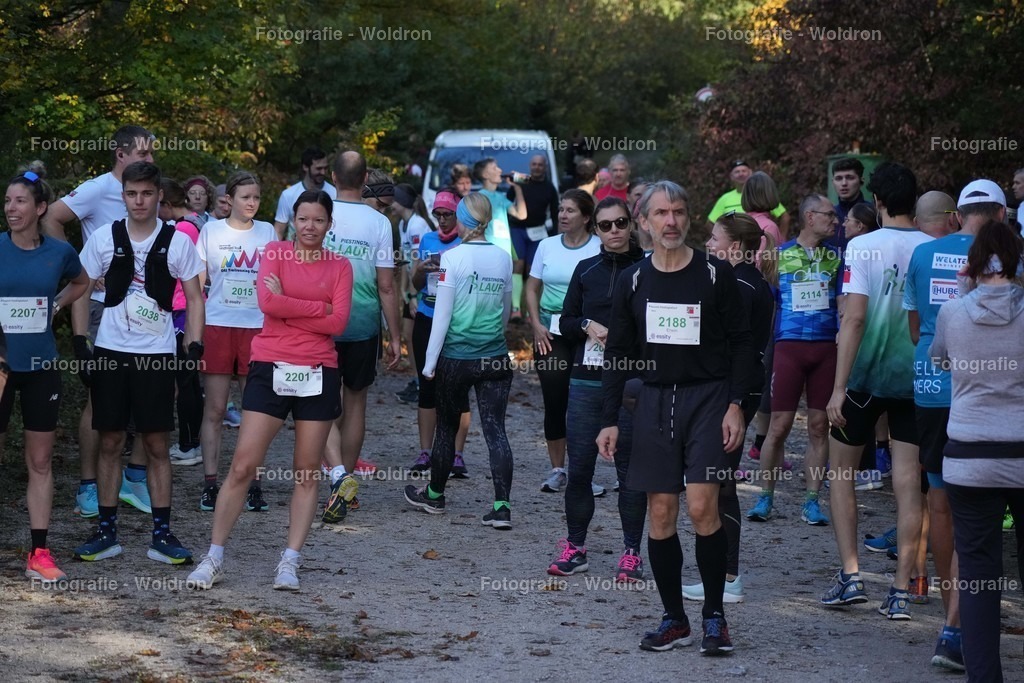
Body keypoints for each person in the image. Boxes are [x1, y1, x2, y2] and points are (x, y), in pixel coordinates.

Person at [597, 180, 750, 655]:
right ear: (643, 221)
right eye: (661, 213)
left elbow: (744, 343)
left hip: (709, 398)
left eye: (679, 212)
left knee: (703, 507)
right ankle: (674, 619)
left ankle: (714, 618)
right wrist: (609, 418)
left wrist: (737, 404)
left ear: (689, 218)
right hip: (655, 401)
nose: (671, 221)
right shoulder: (633, 280)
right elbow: (617, 353)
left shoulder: (714, 274)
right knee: (661, 512)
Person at [187, 190, 353, 590]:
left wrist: (289, 304)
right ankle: (213, 557)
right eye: (303, 219)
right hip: (270, 364)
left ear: (329, 224)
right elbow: (267, 303)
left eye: (318, 220)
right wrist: (319, 308)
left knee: (306, 472)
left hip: (318, 370)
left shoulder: (340, 265)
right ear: (293, 220)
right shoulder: (275, 252)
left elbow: (339, 323)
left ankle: (289, 562)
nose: (310, 227)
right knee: (243, 465)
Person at [70, 161, 205, 564]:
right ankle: (106, 531)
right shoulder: (104, 238)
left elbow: (195, 298)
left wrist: (193, 349)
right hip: (111, 352)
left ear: (159, 195)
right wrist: (80, 343)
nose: (139, 201)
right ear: (123, 196)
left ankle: (162, 535)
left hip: (157, 356)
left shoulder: (177, 241)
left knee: (156, 443)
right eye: (132, 193)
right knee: (110, 441)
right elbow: (80, 289)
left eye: (147, 193)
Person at [822, 162, 930, 618]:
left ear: (878, 201)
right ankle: (901, 590)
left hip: (864, 379)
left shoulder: (862, 245)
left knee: (842, 474)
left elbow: (854, 318)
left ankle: (851, 576)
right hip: (915, 380)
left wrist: (837, 387)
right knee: (908, 484)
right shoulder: (931, 246)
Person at [905, 182, 1004, 672]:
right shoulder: (1010, 256)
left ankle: (952, 625)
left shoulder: (924, 254)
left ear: (956, 215)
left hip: (931, 386)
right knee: (984, 514)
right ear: (1002, 215)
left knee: (941, 505)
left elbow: (915, 331)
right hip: (988, 395)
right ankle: (959, 625)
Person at [41, 125, 155, 520]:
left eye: (152, 153)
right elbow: (51, 218)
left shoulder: (147, 190)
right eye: (144, 153)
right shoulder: (98, 188)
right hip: (101, 307)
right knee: (99, 398)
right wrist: (80, 268)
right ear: (120, 154)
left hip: (143, 310)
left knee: (145, 393)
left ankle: (132, 478)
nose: (151, 159)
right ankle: (88, 486)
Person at [930, 219, 1024, 683]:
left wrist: (966, 291)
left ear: (972, 264)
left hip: (968, 458)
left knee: (978, 576)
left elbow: (939, 359)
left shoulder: (953, 312)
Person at [546, 197, 646, 580]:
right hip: (586, 381)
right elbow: (564, 320)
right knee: (580, 469)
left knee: (630, 473)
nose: (614, 230)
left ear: (631, 224)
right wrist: (587, 325)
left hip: (631, 383)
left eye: (620, 223)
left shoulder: (648, 269)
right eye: (605, 225)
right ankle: (575, 548)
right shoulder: (586, 269)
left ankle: (632, 553)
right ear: (596, 230)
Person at [404, 193, 515, 527]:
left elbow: (442, 315)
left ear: (463, 220)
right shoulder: (503, 257)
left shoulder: (452, 258)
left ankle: (435, 495)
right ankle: (502, 507)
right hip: (495, 356)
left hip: (457, 357)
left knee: (446, 428)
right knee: (496, 430)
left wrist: (429, 363)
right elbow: (506, 311)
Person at [682, 211, 775, 604]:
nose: (708, 244)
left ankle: (728, 576)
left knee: (720, 484)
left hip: (732, 394)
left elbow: (733, 347)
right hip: (737, 391)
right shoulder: (750, 282)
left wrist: (731, 400)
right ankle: (722, 574)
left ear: (734, 246)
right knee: (719, 481)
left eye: (714, 239)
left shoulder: (739, 285)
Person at [1, 172, 89, 584]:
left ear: (40, 208)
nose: (11, 208)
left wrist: (56, 304)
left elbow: (82, 281)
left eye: (20, 201)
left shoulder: (60, 252)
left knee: (39, 461)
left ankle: (39, 552)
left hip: (41, 368)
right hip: (1, 367)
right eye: (7, 200)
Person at [745, 195, 841, 526]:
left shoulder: (835, 258)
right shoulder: (778, 256)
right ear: (810, 217)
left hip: (826, 349)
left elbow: (845, 305)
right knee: (779, 426)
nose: (835, 221)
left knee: (819, 426)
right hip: (788, 348)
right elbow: (766, 306)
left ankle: (812, 500)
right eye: (829, 215)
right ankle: (765, 496)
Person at [320, 151, 401, 522]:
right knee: (355, 403)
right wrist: (396, 337)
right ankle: (345, 485)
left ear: (333, 177)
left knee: (321, 404)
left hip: (319, 322)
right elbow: (387, 286)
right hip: (363, 324)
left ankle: (336, 477)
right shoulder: (380, 222)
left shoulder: (318, 213)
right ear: (366, 178)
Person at [195, 171, 276, 513]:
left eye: (256, 197)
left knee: (255, 412)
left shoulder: (268, 232)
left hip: (256, 328)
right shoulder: (211, 231)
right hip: (218, 324)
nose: (252, 203)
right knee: (215, 410)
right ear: (229, 199)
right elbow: (197, 284)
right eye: (245, 197)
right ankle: (210, 484)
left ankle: (253, 486)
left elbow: (276, 280)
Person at [526, 189, 601, 493]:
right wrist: (535, 324)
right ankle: (558, 470)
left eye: (570, 210)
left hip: (587, 332)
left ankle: (584, 473)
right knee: (555, 399)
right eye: (560, 209)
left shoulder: (599, 246)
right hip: (551, 332)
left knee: (586, 403)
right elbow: (531, 287)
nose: (562, 215)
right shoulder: (546, 246)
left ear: (586, 217)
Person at [407, 189, 472, 474]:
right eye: (438, 215)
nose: (442, 220)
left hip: (457, 322)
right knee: (427, 386)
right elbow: (416, 284)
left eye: (448, 215)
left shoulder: (467, 242)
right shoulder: (428, 240)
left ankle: (457, 454)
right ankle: (426, 452)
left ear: (459, 215)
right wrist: (420, 271)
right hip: (427, 316)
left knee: (458, 387)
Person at [156, 179, 205, 468]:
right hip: (183, 307)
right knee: (188, 380)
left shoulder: (183, 229)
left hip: (182, 309)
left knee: (185, 381)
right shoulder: (194, 222)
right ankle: (192, 442)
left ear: (166, 203)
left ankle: (189, 445)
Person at [393, 183, 434, 406]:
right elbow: (406, 259)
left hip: (422, 288)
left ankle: (423, 382)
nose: (390, 203)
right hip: (411, 289)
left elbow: (418, 262)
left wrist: (411, 296)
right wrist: (402, 290)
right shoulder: (403, 224)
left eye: (394, 199)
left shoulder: (417, 224)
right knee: (409, 335)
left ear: (403, 202)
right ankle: (418, 379)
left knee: (415, 336)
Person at [509, 154, 560, 317]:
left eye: (540, 165)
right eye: (534, 164)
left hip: (538, 232)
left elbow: (555, 214)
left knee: (534, 270)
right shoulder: (521, 182)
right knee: (517, 265)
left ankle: (531, 312)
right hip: (517, 229)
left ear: (545, 167)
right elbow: (507, 202)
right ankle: (516, 309)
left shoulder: (550, 188)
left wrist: (555, 236)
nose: (537, 167)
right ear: (530, 166)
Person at [707, 160, 790, 237]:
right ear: (731, 176)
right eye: (737, 172)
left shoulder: (760, 194)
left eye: (744, 171)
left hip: (761, 238)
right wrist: (720, 240)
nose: (741, 174)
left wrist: (782, 238)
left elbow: (784, 216)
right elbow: (710, 222)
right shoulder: (725, 198)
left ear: (750, 173)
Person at [273, 147, 337, 240]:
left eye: (325, 168)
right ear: (305, 167)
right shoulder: (288, 195)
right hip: (294, 248)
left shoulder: (335, 193)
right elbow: (279, 230)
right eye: (318, 168)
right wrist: (275, 248)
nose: (323, 172)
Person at [473, 157, 526, 263]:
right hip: (488, 252)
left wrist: (517, 188)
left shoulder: (500, 197)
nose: (500, 170)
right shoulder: (478, 197)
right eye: (494, 168)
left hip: (505, 251)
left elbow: (521, 215)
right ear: (485, 175)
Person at [831, 158, 872, 244]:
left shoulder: (873, 213)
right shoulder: (829, 215)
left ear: (861, 180)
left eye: (850, 178)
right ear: (833, 182)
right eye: (838, 178)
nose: (844, 183)